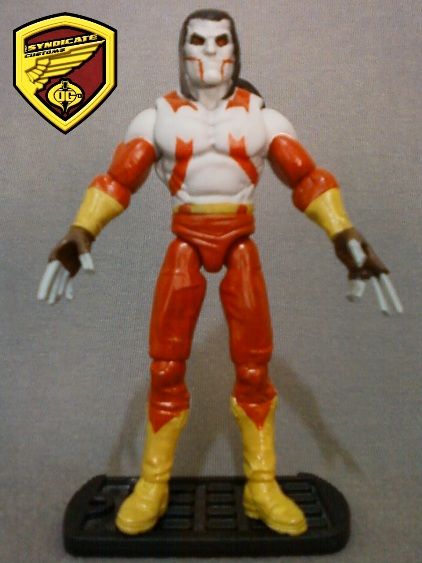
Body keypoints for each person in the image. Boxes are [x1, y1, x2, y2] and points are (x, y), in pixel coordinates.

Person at [38, 9, 402, 536]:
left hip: (240, 244)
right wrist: (81, 231)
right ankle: (153, 485)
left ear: (236, 50)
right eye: (198, 41)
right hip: (186, 241)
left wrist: (343, 233)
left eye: (220, 41)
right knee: (166, 367)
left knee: (254, 370)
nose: (210, 52)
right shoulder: (157, 120)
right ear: (181, 50)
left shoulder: (262, 120)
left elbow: (306, 177)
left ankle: (261, 486)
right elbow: (117, 179)